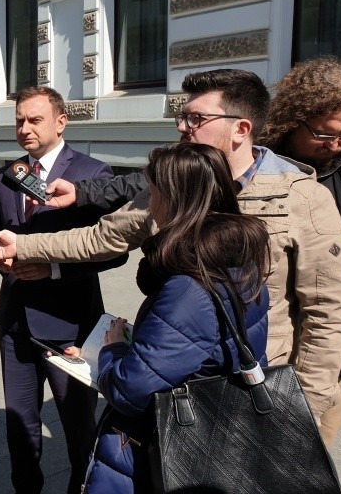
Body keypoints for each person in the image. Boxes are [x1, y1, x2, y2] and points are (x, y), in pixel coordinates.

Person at [0, 69, 341, 427]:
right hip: (178, 389)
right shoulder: (171, 187)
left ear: (241, 129)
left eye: (196, 118)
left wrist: (305, 404)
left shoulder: (302, 198)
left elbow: (327, 312)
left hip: (261, 391)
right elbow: (102, 237)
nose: (182, 127)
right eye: (183, 117)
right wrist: (22, 244)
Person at [81, 142, 270, 492]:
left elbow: (130, 390)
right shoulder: (240, 261)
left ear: (175, 200)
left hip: (169, 450)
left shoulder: (188, 288)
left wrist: (112, 350)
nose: (151, 206)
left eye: (153, 194)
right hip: (225, 431)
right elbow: (195, 346)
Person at [0, 86, 124, 494]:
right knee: (20, 426)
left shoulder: (93, 175)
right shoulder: (9, 176)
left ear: (61, 122)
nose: (24, 128)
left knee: (78, 428)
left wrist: (54, 270)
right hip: (15, 324)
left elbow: (114, 253)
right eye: (19, 121)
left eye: (34, 119)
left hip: (71, 326)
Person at [258, 56, 341, 446]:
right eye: (323, 134)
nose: (335, 145)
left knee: (307, 460)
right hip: (268, 342)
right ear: (292, 120)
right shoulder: (263, 160)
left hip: (331, 348)